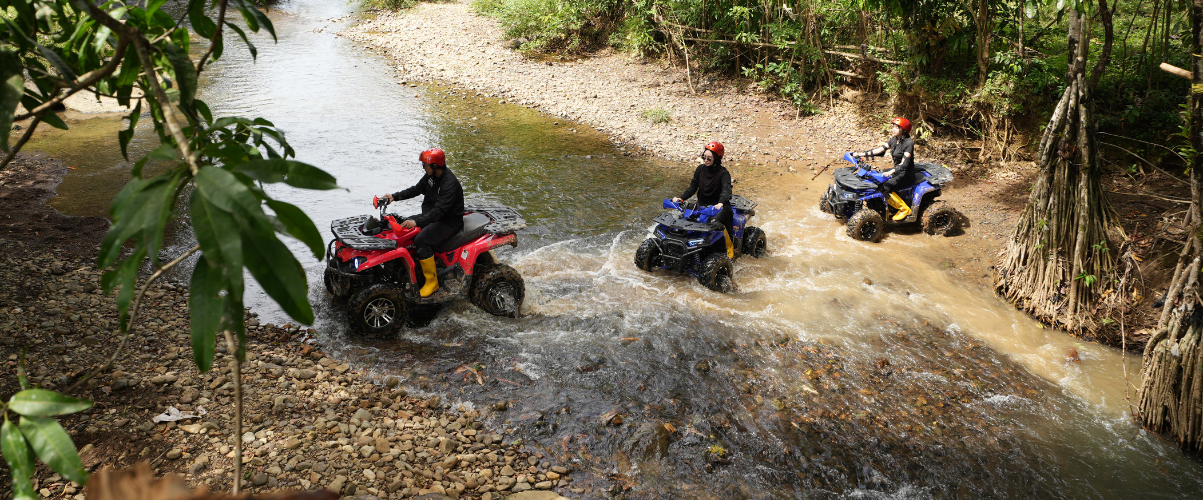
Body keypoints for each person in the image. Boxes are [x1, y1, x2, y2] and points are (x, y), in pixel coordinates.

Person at [380, 148, 464, 297]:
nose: (423, 167)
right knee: (403, 227)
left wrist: (417, 222)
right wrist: (394, 197)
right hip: (431, 215)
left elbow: (438, 212)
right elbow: (416, 189)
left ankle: (432, 283)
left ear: (435, 165)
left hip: (448, 221)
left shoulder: (449, 184)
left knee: (422, 240)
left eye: (425, 165)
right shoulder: (431, 176)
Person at [673, 141, 735, 258]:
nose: (705, 160)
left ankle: (726, 252)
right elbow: (692, 187)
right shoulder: (700, 169)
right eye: (704, 157)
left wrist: (720, 202)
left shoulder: (724, 174)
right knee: (683, 220)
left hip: (719, 207)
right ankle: (683, 248)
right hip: (701, 205)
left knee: (713, 225)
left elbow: (726, 190)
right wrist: (681, 198)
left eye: (709, 158)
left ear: (717, 158)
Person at [852, 117, 919, 221]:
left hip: (905, 174)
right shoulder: (894, 140)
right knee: (873, 178)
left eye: (896, 127)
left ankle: (904, 209)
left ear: (903, 130)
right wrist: (861, 154)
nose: (893, 129)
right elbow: (879, 150)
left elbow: (904, 163)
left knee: (885, 188)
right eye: (893, 127)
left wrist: (891, 171)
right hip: (896, 171)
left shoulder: (908, 143)